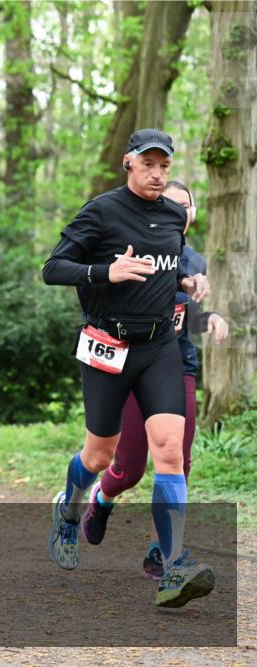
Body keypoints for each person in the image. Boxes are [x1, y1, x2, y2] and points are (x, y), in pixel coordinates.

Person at [42, 128, 214, 608]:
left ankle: (173, 565)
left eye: (164, 166)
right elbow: (53, 268)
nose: (157, 174)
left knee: (170, 452)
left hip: (160, 348)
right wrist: (106, 272)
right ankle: (70, 510)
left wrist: (187, 280)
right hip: (108, 347)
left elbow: (167, 266)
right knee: (99, 457)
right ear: (129, 163)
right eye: (148, 164)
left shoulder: (174, 216)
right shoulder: (101, 212)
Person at [78, 180, 229, 579]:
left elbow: (182, 314)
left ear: (191, 214)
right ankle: (102, 498)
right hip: (132, 363)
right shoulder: (134, 249)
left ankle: (161, 552)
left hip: (178, 366)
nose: (178, 211)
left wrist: (210, 317)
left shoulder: (194, 261)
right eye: (170, 203)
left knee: (177, 459)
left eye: (185, 206)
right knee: (128, 468)